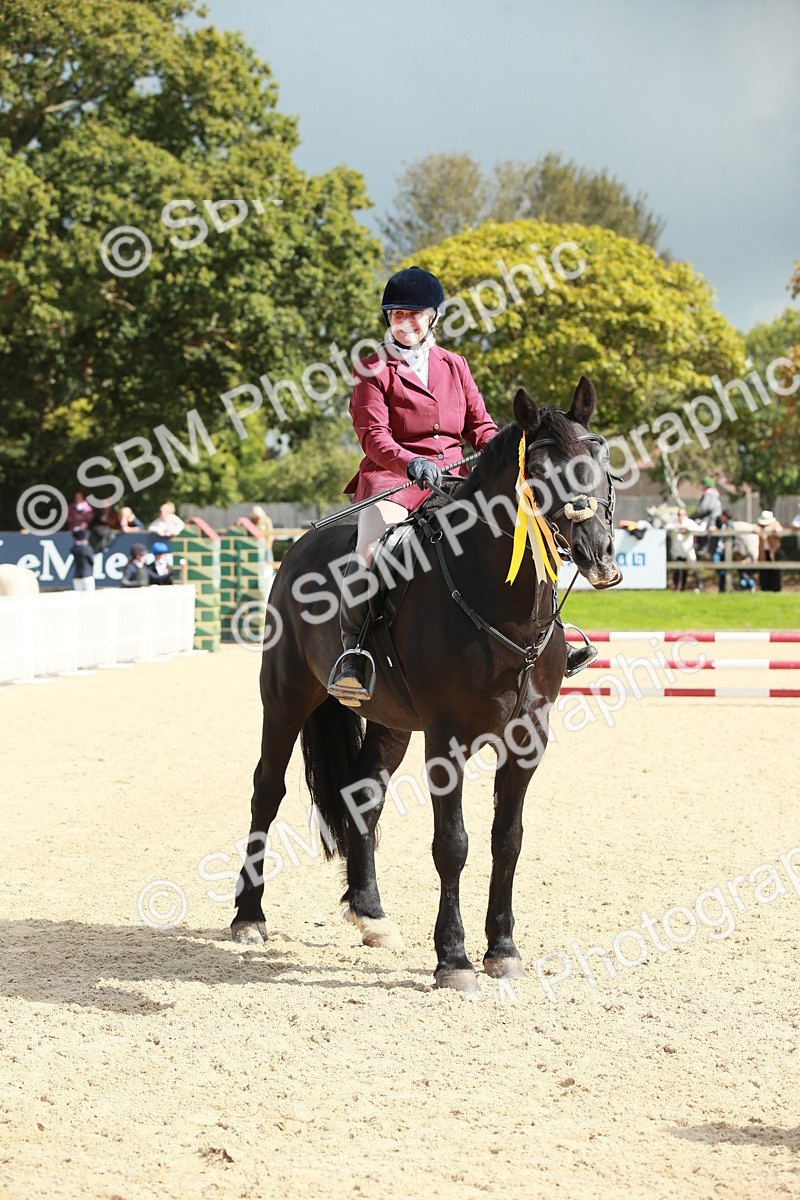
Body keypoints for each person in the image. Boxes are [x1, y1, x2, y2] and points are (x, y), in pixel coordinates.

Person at [327, 266, 597, 705]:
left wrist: (505, 456)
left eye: (416, 315)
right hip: (393, 482)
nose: (406, 322)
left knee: (528, 534)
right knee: (371, 553)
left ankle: (551, 641)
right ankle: (355, 652)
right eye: (397, 315)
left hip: (455, 482)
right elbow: (373, 435)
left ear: (433, 317)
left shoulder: (455, 365)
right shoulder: (373, 369)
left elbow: (481, 426)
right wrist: (410, 462)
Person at [666, 508, 703, 591]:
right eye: (679, 514)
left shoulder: (689, 522)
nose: (680, 517)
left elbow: (700, 529)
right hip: (677, 551)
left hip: (688, 550)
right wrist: (676, 528)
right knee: (678, 570)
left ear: (685, 515)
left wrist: (687, 529)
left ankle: (698, 585)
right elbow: (667, 527)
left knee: (692, 568)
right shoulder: (674, 522)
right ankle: (678, 588)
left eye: (682, 515)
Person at [757, 510, 784, 593]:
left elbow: (780, 532)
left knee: (775, 572)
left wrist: (771, 530)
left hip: (774, 552)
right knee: (764, 572)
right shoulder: (759, 526)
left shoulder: (775, 525)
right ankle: (765, 589)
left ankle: (776, 590)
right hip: (763, 553)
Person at [70, 527, 96, 592]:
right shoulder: (87, 548)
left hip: (77, 576)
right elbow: (92, 561)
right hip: (87, 575)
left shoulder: (74, 549)